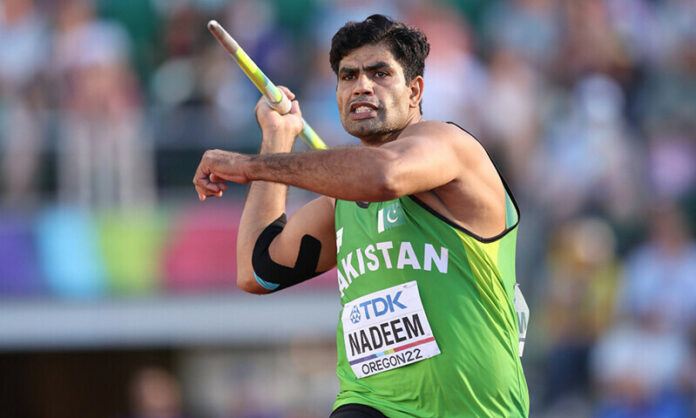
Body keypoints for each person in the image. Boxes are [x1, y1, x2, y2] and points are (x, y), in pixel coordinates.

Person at [193, 14, 529, 418]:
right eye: (348, 76)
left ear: (414, 91)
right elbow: (258, 269)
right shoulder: (344, 202)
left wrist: (252, 166)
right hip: (370, 404)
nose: (362, 85)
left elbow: (384, 175)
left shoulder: (449, 145)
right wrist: (275, 142)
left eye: (380, 73)